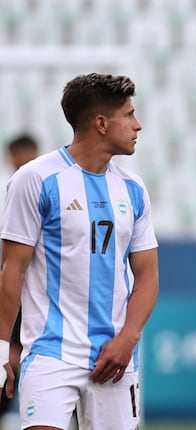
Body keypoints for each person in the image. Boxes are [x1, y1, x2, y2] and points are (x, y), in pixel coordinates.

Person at [0, 73, 159, 430]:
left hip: (115, 358)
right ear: (101, 123)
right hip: (50, 353)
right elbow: (12, 271)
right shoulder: (35, 179)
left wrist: (128, 338)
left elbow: (147, 276)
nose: (139, 124)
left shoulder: (133, 189)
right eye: (130, 115)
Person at [0, 134, 39, 430]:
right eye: (17, 155)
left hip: (35, 289)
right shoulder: (8, 190)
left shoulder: (45, 187)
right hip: (10, 284)